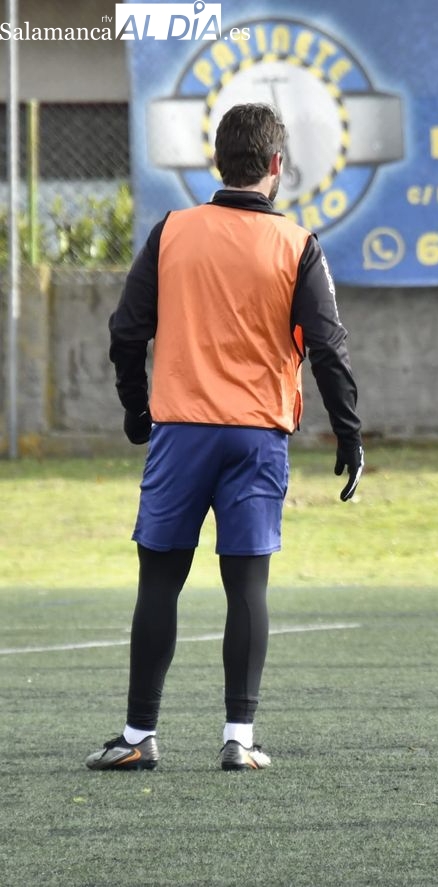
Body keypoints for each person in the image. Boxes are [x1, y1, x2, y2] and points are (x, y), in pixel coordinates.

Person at [89, 103, 363, 772]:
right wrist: (349, 433)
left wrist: (135, 411)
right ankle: (238, 737)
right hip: (257, 438)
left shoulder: (173, 231)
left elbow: (126, 331)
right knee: (247, 585)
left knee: (160, 581)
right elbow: (328, 348)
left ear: (218, 162)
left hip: (180, 432)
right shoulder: (298, 244)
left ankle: (136, 736)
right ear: (277, 166)